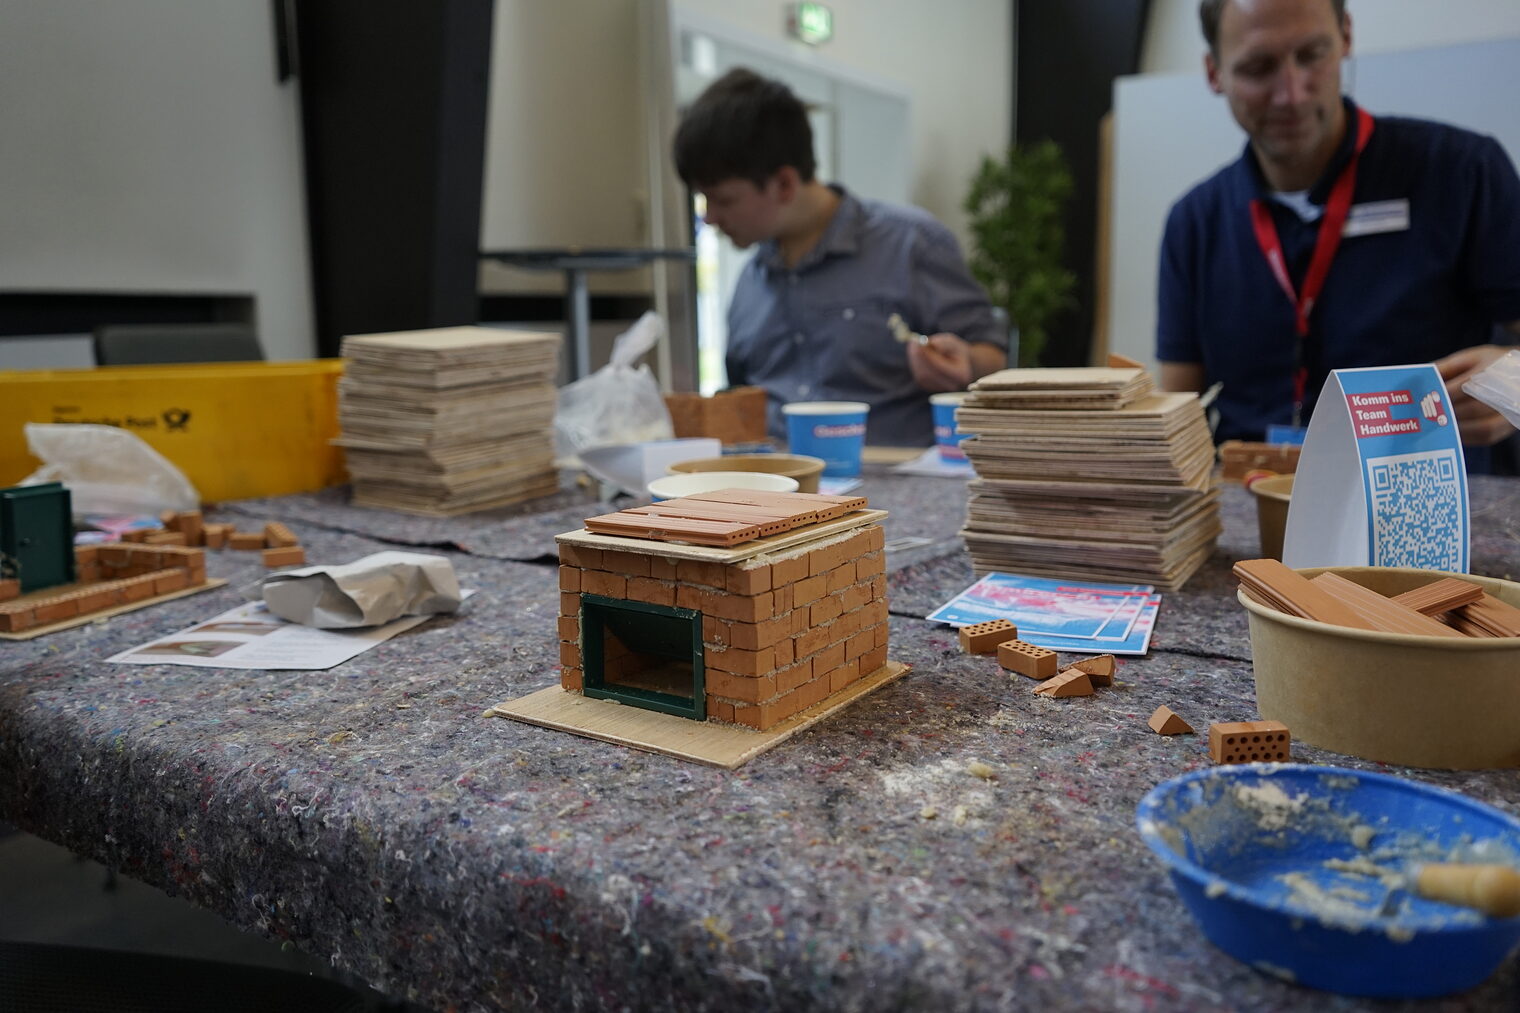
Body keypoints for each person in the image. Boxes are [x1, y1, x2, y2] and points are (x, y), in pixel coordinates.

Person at [1156, 0, 1520, 467]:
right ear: (1214, 72)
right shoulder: (1195, 223)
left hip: (1429, 500)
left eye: (1312, 54)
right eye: (1258, 67)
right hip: (1256, 504)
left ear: (1346, 36)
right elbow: (1176, 419)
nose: (1292, 93)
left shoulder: (1464, 172)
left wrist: (1511, 383)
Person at [673, 68, 1007, 447]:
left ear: (783, 183)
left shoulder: (911, 244)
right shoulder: (751, 278)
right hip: (775, 492)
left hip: (895, 488)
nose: (709, 217)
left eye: (723, 200)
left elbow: (993, 356)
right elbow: (740, 398)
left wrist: (967, 361)